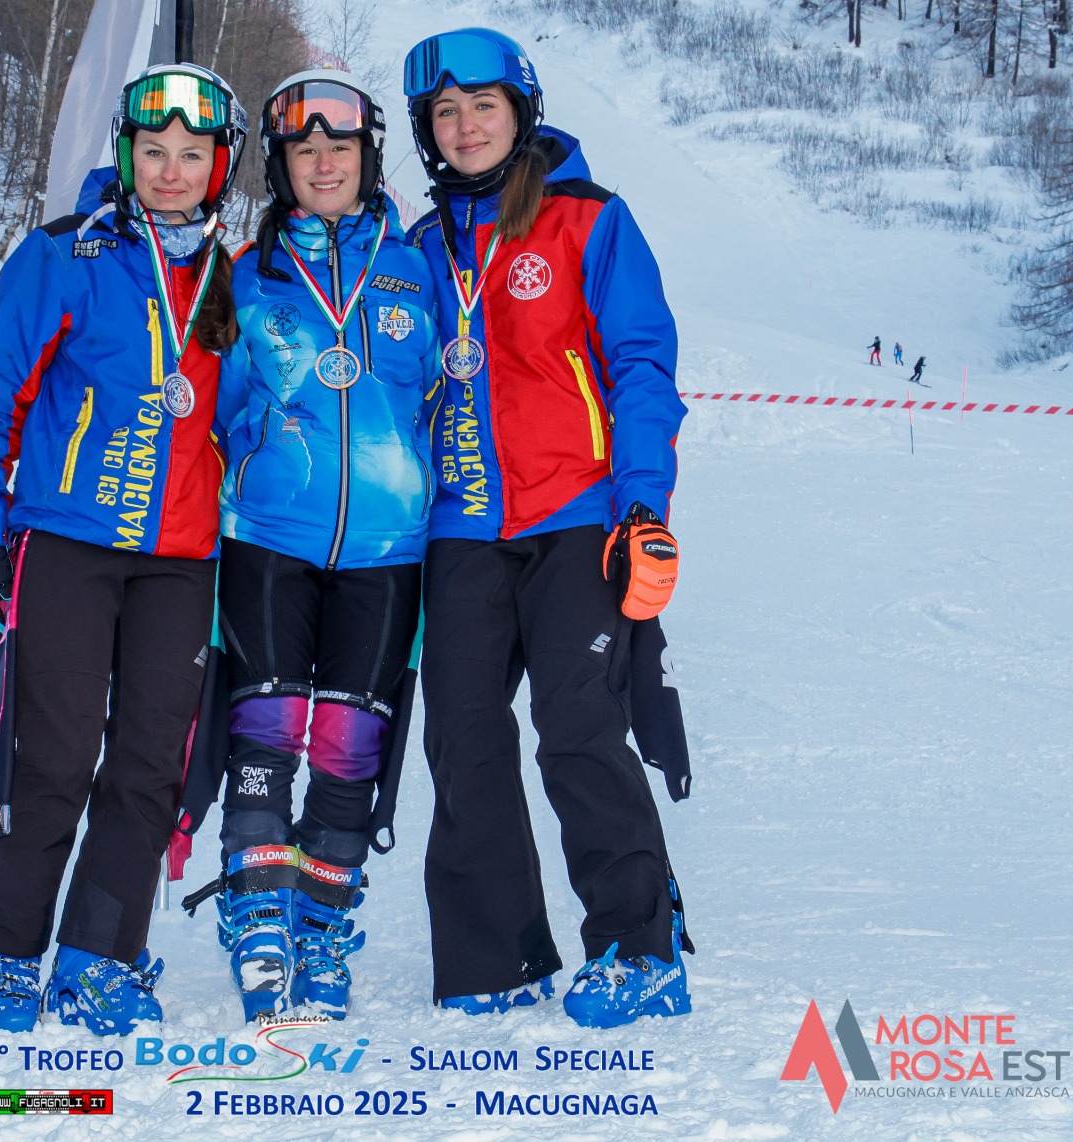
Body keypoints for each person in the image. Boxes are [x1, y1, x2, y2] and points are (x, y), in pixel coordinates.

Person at [403, 28, 693, 1029]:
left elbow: (641, 365)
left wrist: (643, 505)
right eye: (445, 112)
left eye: (482, 105)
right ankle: (495, 957)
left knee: (577, 728)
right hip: (460, 526)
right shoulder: (417, 249)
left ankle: (638, 946)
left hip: (577, 516)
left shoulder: (589, 220)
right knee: (463, 737)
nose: (465, 126)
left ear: (520, 112)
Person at [0, 62, 247, 1035]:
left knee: (151, 763)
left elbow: (240, 415)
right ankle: (8, 951)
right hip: (69, 542)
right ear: (126, 154)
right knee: (52, 753)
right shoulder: (63, 254)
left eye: (191, 155)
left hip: (182, 559)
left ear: (219, 167)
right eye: (153, 151)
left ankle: (101, 956)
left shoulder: (232, 276)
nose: (171, 171)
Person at [200, 70, 439, 1021]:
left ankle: (323, 920)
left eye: (340, 146)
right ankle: (259, 913)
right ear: (280, 166)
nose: (324, 162)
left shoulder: (420, 267)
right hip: (269, 537)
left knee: (351, 739)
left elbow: (459, 399)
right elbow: (205, 409)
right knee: (266, 724)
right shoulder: (242, 275)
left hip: (389, 546)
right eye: (304, 149)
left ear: (368, 158)